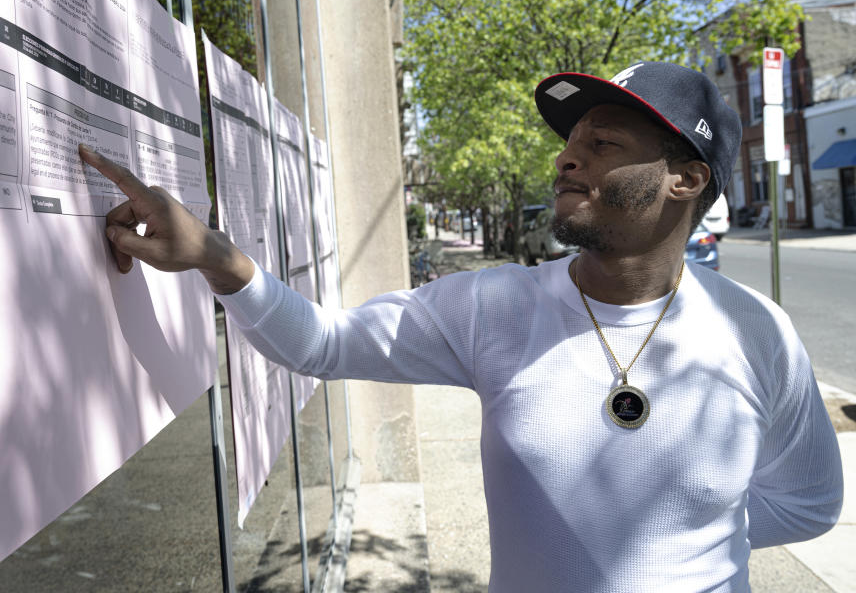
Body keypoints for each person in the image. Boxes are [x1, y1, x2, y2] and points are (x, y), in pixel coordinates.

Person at [78, 61, 843, 592]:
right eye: (569, 145)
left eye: (602, 144)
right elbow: (322, 343)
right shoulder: (492, 308)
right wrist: (216, 258)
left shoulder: (757, 333)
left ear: (686, 178)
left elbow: (810, 502)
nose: (567, 161)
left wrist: (687, 538)